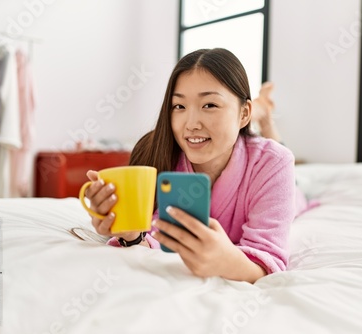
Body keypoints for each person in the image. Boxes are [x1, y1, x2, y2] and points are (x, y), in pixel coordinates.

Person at [84, 48, 310, 283]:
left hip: (290, 190)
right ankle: (261, 113)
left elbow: (267, 261)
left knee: (296, 184)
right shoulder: (156, 154)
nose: (191, 124)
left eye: (209, 105)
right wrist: (128, 233)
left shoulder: (275, 163)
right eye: (179, 106)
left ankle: (265, 118)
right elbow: (151, 238)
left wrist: (228, 261)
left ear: (244, 113)